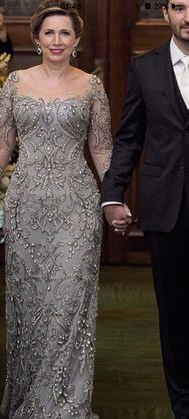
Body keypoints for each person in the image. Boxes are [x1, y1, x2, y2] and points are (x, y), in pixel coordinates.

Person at [0, 1, 114, 417]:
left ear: (77, 40)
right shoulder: (16, 82)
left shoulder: (92, 86)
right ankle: (30, 396)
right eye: (49, 33)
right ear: (37, 39)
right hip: (27, 206)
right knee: (32, 304)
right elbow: (1, 144)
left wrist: (114, 198)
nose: (57, 40)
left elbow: (102, 148)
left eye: (65, 33)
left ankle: (64, 406)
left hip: (78, 208)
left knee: (69, 303)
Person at [102, 1, 189, 418]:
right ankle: (183, 406)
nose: (188, 16)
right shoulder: (146, 67)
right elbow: (129, 136)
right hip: (165, 209)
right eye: (179, 6)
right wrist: (113, 193)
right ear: (165, 14)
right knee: (174, 315)